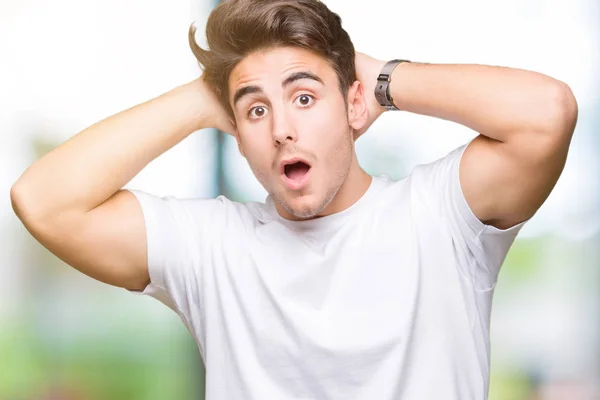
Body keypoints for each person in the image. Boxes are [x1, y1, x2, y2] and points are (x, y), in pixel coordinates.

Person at [10, 0, 578, 399]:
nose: (282, 127)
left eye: (304, 97)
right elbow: (43, 199)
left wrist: (380, 80)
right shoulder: (212, 246)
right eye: (256, 110)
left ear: (353, 106)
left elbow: (547, 114)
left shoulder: (439, 215)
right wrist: (204, 95)